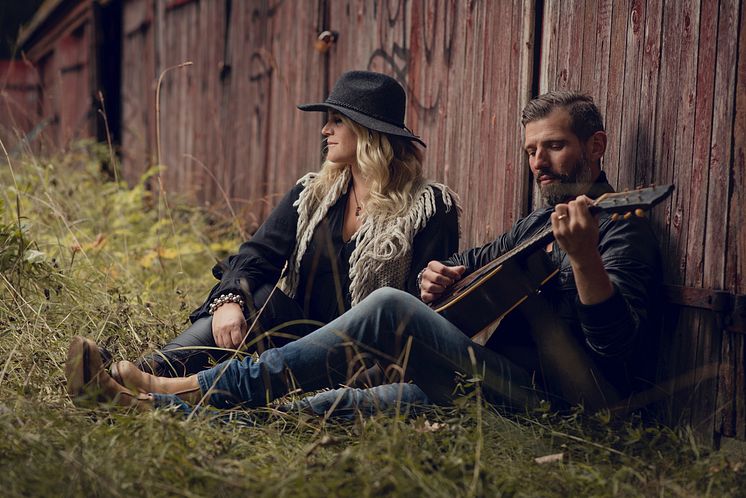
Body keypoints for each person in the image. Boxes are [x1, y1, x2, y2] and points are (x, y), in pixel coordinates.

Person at [66, 91, 662, 416]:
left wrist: (585, 261)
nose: (538, 163)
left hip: (564, 403)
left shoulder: (622, 228)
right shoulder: (540, 220)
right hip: (492, 383)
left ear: (597, 146)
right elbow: (480, 259)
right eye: (531, 150)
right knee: (333, 405)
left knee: (390, 307)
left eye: (554, 147)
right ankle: (152, 409)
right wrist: (446, 274)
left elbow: (620, 352)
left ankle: (186, 389)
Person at [120, 70, 460, 379]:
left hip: (364, 361)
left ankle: (158, 386)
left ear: (368, 131)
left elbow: (426, 307)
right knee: (260, 297)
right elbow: (257, 255)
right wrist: (229, 301)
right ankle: (139, 376)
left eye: (337, 121)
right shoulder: (314, 194)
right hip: (298, 338)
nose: (325, 130)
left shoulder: (428, 207)